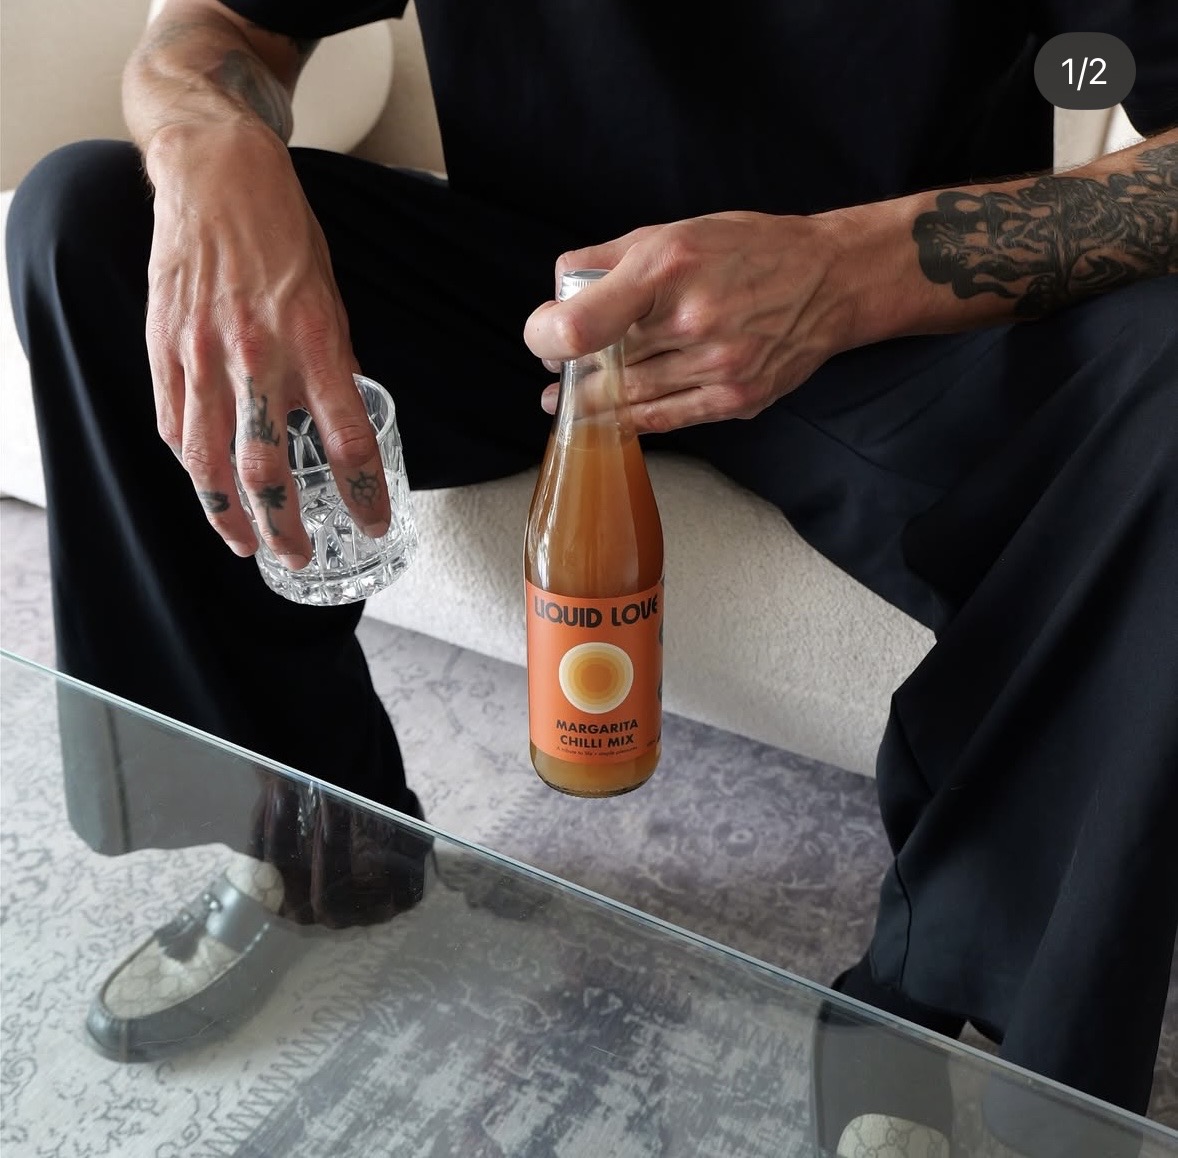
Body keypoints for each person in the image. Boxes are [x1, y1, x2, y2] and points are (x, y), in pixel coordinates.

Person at [6, 0, 1176, 1150]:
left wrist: (840, 268)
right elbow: (219, 27)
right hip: (529, 294)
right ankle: (319, 851)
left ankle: (938, 1019)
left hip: (883, 319)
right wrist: (205, 137)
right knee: (91, 217)